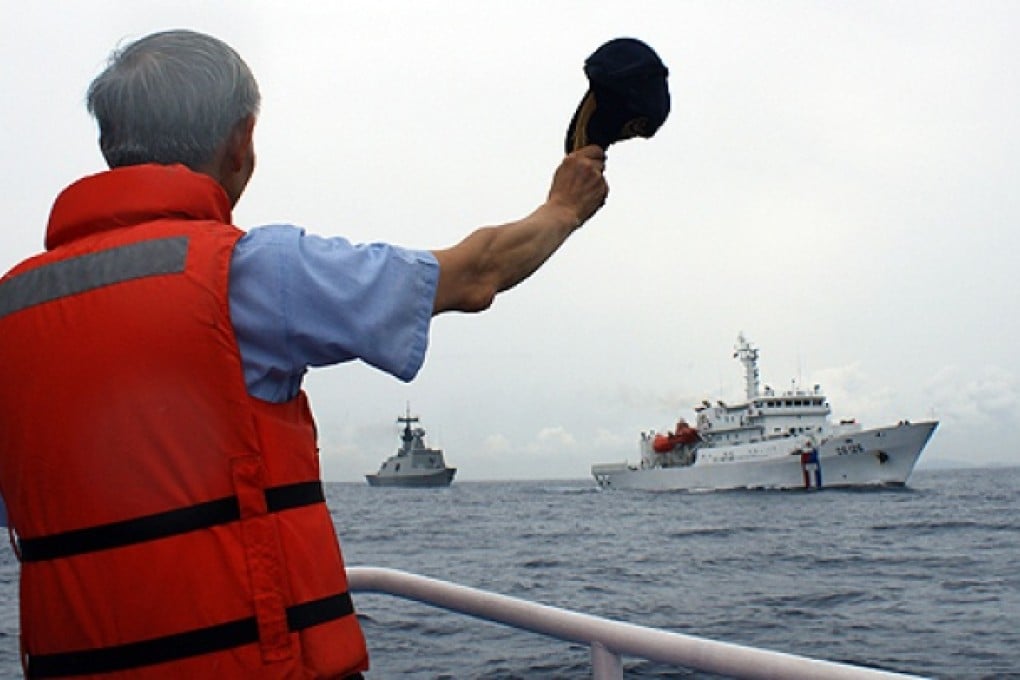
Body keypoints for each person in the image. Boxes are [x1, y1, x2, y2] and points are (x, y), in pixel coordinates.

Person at [0, 29, 607, 679]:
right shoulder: (250, 272)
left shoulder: (14, 308)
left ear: (108, 146)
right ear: (242, 142)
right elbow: (475, 274)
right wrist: (563, 208)